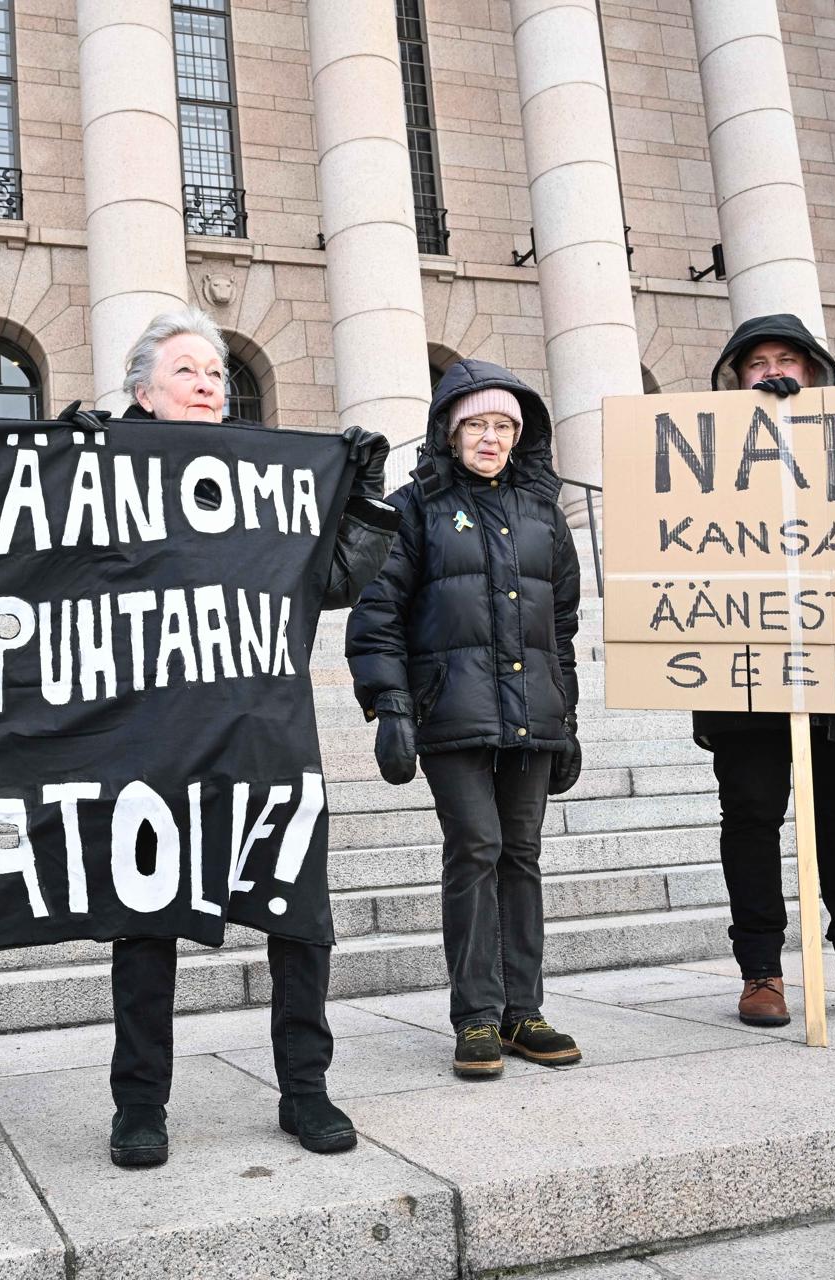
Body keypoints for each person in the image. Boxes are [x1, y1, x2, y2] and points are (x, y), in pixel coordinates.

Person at [89, 307, 397, 1167]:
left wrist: (365, 504)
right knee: (144, 927)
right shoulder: (104, 477)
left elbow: (335, 581)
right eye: (187, 371)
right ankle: (139, 1106)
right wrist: (64, 469)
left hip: (265, 736)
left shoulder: (268, 484)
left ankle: (307, 1089)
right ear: (143, 393)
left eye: (217, 375)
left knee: (300, 922)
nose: (208, 385)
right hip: (152, 742)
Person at [347, 360, 584, 1080]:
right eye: (477, 424)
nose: (490, 437)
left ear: (520, 435)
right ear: (451, 431)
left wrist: (567, 717)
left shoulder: (543, 512)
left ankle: (524, 1012)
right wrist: (388, 704)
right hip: (450, 710)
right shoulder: (414, 506)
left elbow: (562, 624)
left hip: (532, 714)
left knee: (521, 854)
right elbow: (377, 610)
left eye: (503, 426)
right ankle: (477, 1015)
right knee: (476, 848)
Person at [699, 313, 835, 1028]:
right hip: (747, 670)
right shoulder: (705, 465)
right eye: (755, 362)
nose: (771, 372)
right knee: (752, 819)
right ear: (735, 380)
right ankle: (761, 973)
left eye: (786, 359)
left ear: (817, 371)